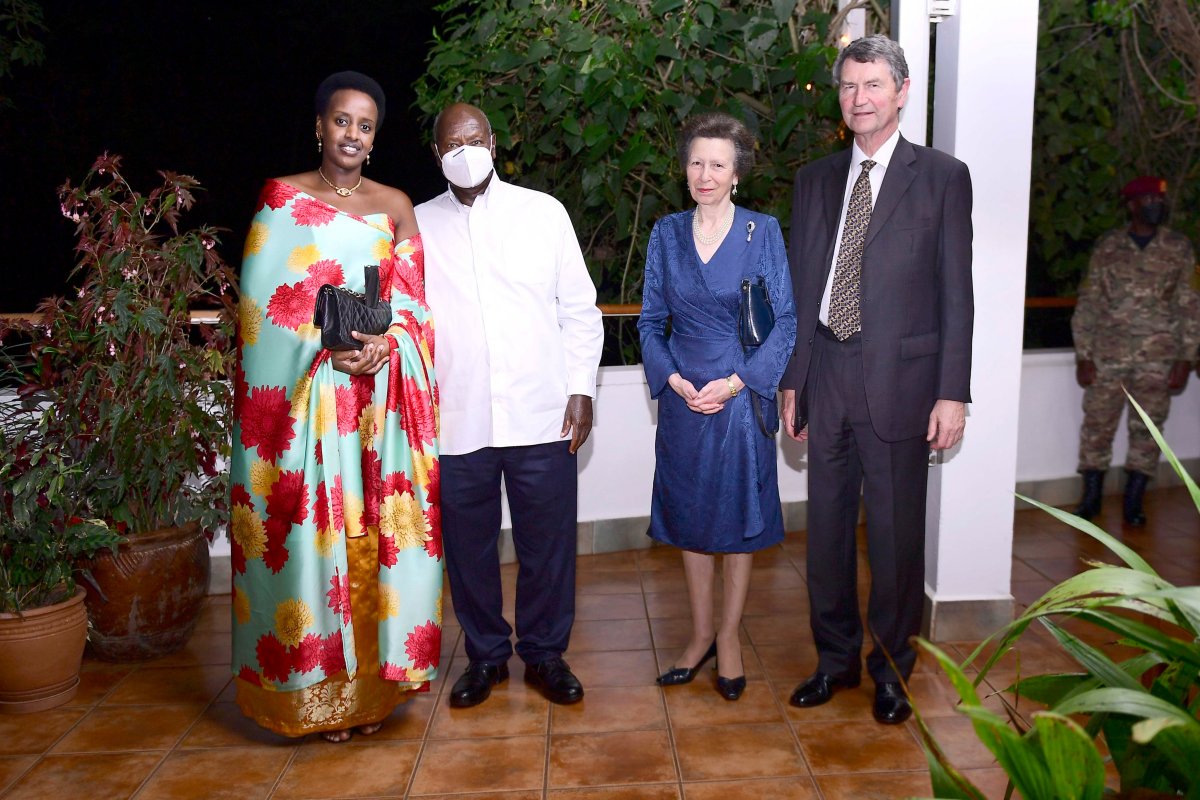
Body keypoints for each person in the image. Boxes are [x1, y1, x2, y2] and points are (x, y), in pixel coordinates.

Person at [229, 71, 442, 743]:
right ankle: (318, 698)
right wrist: (324, 357)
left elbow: (414, 304)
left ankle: (371, 695)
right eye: (342, 121)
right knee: (315, 544)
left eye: (366, 126)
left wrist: (388, 346)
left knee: (373, 538)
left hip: (380, 411)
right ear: (320, 126)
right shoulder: (282, 202)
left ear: (375, 140)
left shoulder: (395, 205)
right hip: (310, 413)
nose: (352, 134)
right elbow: (261, 313)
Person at [779, 34, 974, 725]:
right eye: (848, 87)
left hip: (902, 380)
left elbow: (958, 292)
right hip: (826, 368)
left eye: (872, 86)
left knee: (893, 537)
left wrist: (953, 392)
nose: (858, 99)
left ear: (901, 90)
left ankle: (891, 670)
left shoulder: (943, 177)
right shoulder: (815, 179)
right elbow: (805, 286)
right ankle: (834, 662)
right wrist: (794, 378)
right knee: (826, 533)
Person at [414, 103, 603, 708]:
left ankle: (545, 654)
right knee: (468, 549)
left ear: (493, 144)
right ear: (437, 154)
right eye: (451, 144)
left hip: (540, 410)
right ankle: (486, 657)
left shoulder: (542, 213)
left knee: (547, 543)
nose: (463, 151)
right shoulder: (417, 225)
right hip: (458, 418)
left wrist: (582, 389)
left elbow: (579, 307)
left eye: (473, 140)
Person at [638, 112, 796, 701]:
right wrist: (673, 380)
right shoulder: (665, 234)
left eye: (718, 164)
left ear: (737, 174)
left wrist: (737, 382)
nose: (706, 174)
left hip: (739, 396)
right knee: (691, 520)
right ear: (685, 170)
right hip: (684, 397)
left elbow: (786, 323)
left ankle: (729, 638)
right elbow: (651, 322)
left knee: (737, 521)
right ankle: (700, 634)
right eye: (697, 162)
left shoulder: (763, 231)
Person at [1071, 176, 1199, 525]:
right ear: (1132, 205)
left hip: (1158, 357)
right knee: (1097, 425)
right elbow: (1090, 301)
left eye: (1159, 200)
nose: (1155, 205)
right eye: (1147, 200)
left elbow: (1190, 304)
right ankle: (1091, 499)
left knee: (1148, 429)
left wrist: (1187, 357)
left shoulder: (1179, 248)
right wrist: (1083, 354)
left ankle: (1134, 502)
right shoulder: (1108, 247)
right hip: (1107, 354)